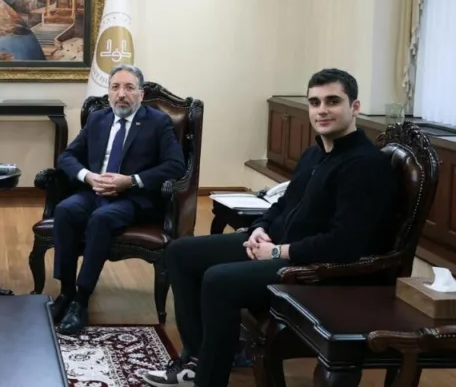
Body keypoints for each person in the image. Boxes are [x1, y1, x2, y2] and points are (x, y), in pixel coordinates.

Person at [141, 68, 399, 387]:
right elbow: (283, 204)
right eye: (315, 102)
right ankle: (195, 359)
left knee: (218, 280)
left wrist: (277, 251)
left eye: (333, 101)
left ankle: (209, 379)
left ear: (354, 107)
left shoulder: (365, 165)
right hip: (278, 246)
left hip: (314, 268)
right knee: (180, 252)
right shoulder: (315, 153)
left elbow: (343, 244)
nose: (322, 110)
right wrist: (259, 228)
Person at [51, 64, 186, 335]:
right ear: (109, 92)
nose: (121, 94)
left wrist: (131, 181)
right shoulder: (98, 119)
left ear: (141, 94)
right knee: (65, 210)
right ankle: (65, 292)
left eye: (128, 88)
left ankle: (81, 300)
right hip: (94, 191)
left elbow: (175, 165)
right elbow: (67, 157)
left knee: (102, 218)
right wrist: (89, 177)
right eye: (115, 87)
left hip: (133, 198)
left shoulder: (157, 122)